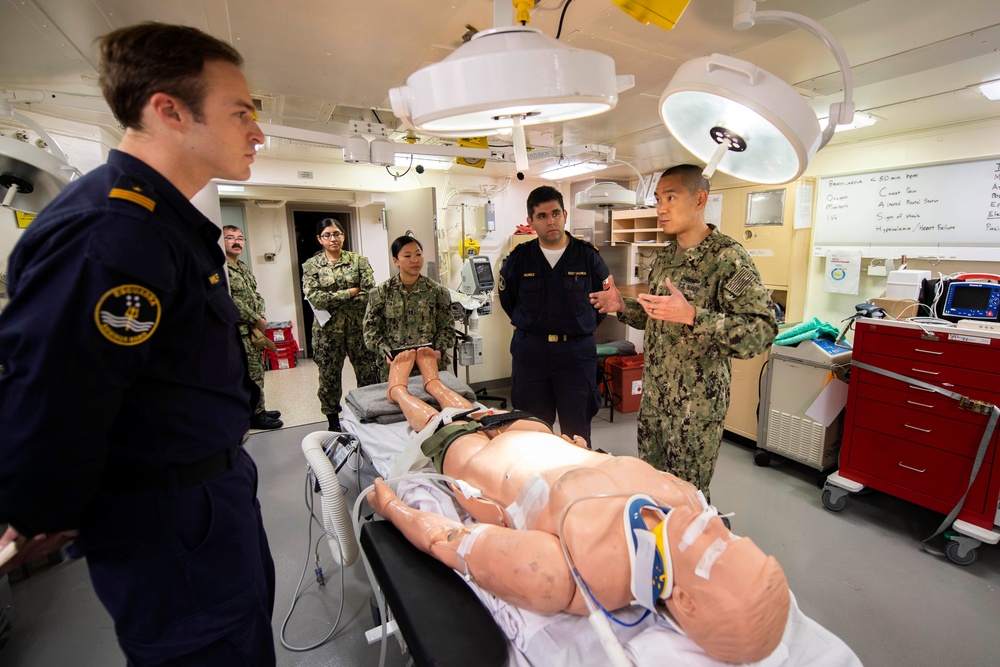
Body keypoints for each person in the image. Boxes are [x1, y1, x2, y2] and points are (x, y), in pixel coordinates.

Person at [0, 23, 276, 665]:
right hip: (169, 523)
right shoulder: (115, 232)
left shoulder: (162, 223)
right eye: (241, 113)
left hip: (208, 497)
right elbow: (54, 389)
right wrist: (41, 506)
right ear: (169, 110)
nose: (257, 131)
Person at [369, 348, 791, 665]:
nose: (716, 527)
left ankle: (401, 390)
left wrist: (393, 508)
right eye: (735, 539)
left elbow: (449, 538)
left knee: (442, 423)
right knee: (478, 408)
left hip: (479, 465)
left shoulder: (575, 575)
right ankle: (437, 381)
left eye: (717, 552)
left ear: (686, 601)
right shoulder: (685, 498)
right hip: (541, 436)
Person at [589, 165, 776, 501]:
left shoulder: (728, 259)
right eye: (658, 198)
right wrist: (622, 305)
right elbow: (655, 319)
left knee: (687, 498)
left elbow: (760, 332)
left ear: (700, 199)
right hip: (656, 401)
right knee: (652, 489)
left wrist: (694, 316)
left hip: (696, 408)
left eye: (671, 197)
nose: (661, 208)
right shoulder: (663, 259)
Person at [499, 185, 610, 447]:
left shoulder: (588, 258)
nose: (551, 221)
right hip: (531, 355)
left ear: (565, 214)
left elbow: (603, 303)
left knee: (577, 432)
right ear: (531, 222)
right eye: (542, 216)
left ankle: (575, 485)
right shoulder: (519, 260)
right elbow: (509, 302)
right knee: (532, 431)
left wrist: (581, 328)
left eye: (556, 213)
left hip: (575, 355)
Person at [302, 218, 377, 432]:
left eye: (337, 233)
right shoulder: (311, 266)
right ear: (319, 239)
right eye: (327, 235)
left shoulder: (359, 261)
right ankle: (333, 421)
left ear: (343, 236)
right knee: (329, 377)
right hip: (327, 333)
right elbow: (315, 298)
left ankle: (368, 414)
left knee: (367, 374)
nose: (333, 238)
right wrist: (351, 292)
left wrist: (333, 297)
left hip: (358, 330)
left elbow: (369, 293)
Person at [364, 235, 455, 383]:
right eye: (407, 256)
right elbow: (371, 331)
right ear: (396, 261)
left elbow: (447, 328)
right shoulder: (381, 293)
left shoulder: (438, 292)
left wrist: (439, 349)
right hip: (394, 366)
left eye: (418, 254)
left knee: (434, 404)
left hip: (431, 366)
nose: (415, 260)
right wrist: (386, 351)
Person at [224, 224, 283, 430]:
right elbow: (229, 299)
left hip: (252, 330)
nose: (236, 241)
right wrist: (254, 317)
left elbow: (255, 295)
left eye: (240, 238)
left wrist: (261, 316)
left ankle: (259, 408)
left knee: (257, 372)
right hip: (238, 331)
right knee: (249, 374)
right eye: (230, 238)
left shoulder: (243, 267)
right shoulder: (223, 269)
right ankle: (254, 415)